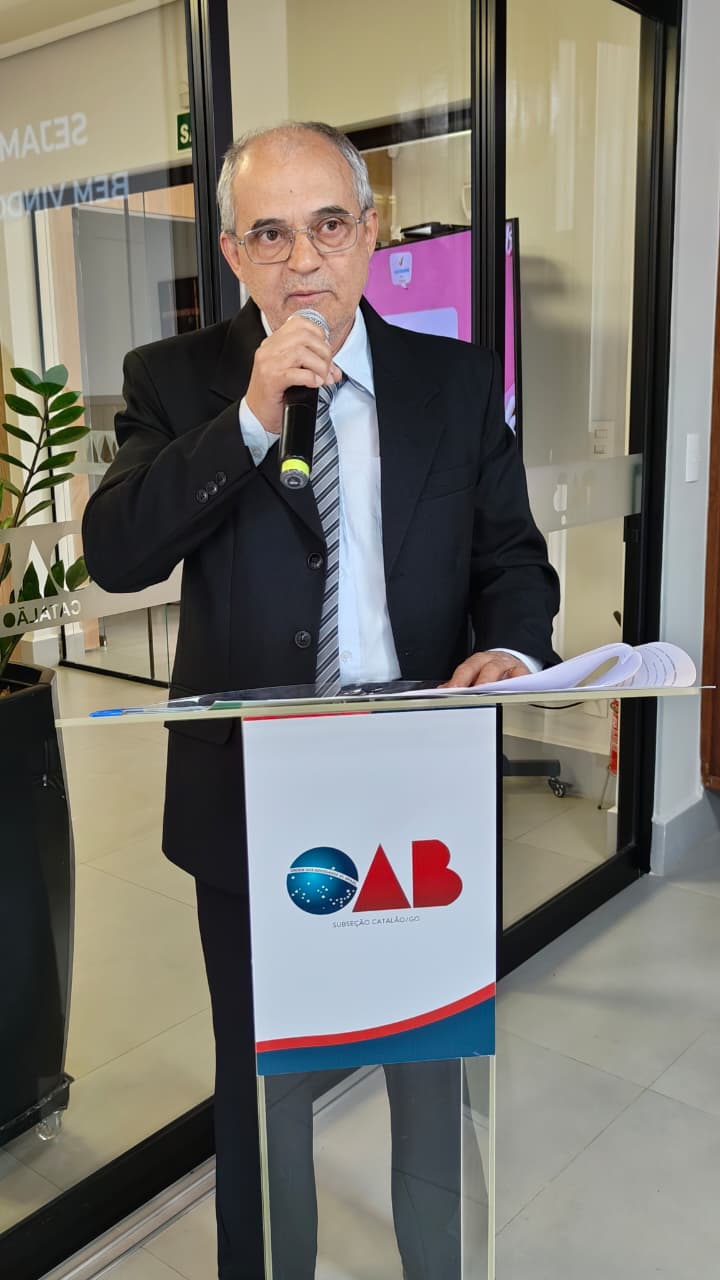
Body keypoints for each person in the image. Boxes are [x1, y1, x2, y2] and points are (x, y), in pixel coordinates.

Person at [82, 121, 559, 1280]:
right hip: (255, 791)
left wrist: (511, 646)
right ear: (234, 254)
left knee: (427, 1065)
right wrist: (249, 418)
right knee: (268, 1080)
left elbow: (511, 556)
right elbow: (117, 551)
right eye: (271, 234)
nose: (304, 260)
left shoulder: (454, 380)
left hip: (417, 787)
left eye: (328, 225)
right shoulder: (174, 380)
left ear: (370, 234)